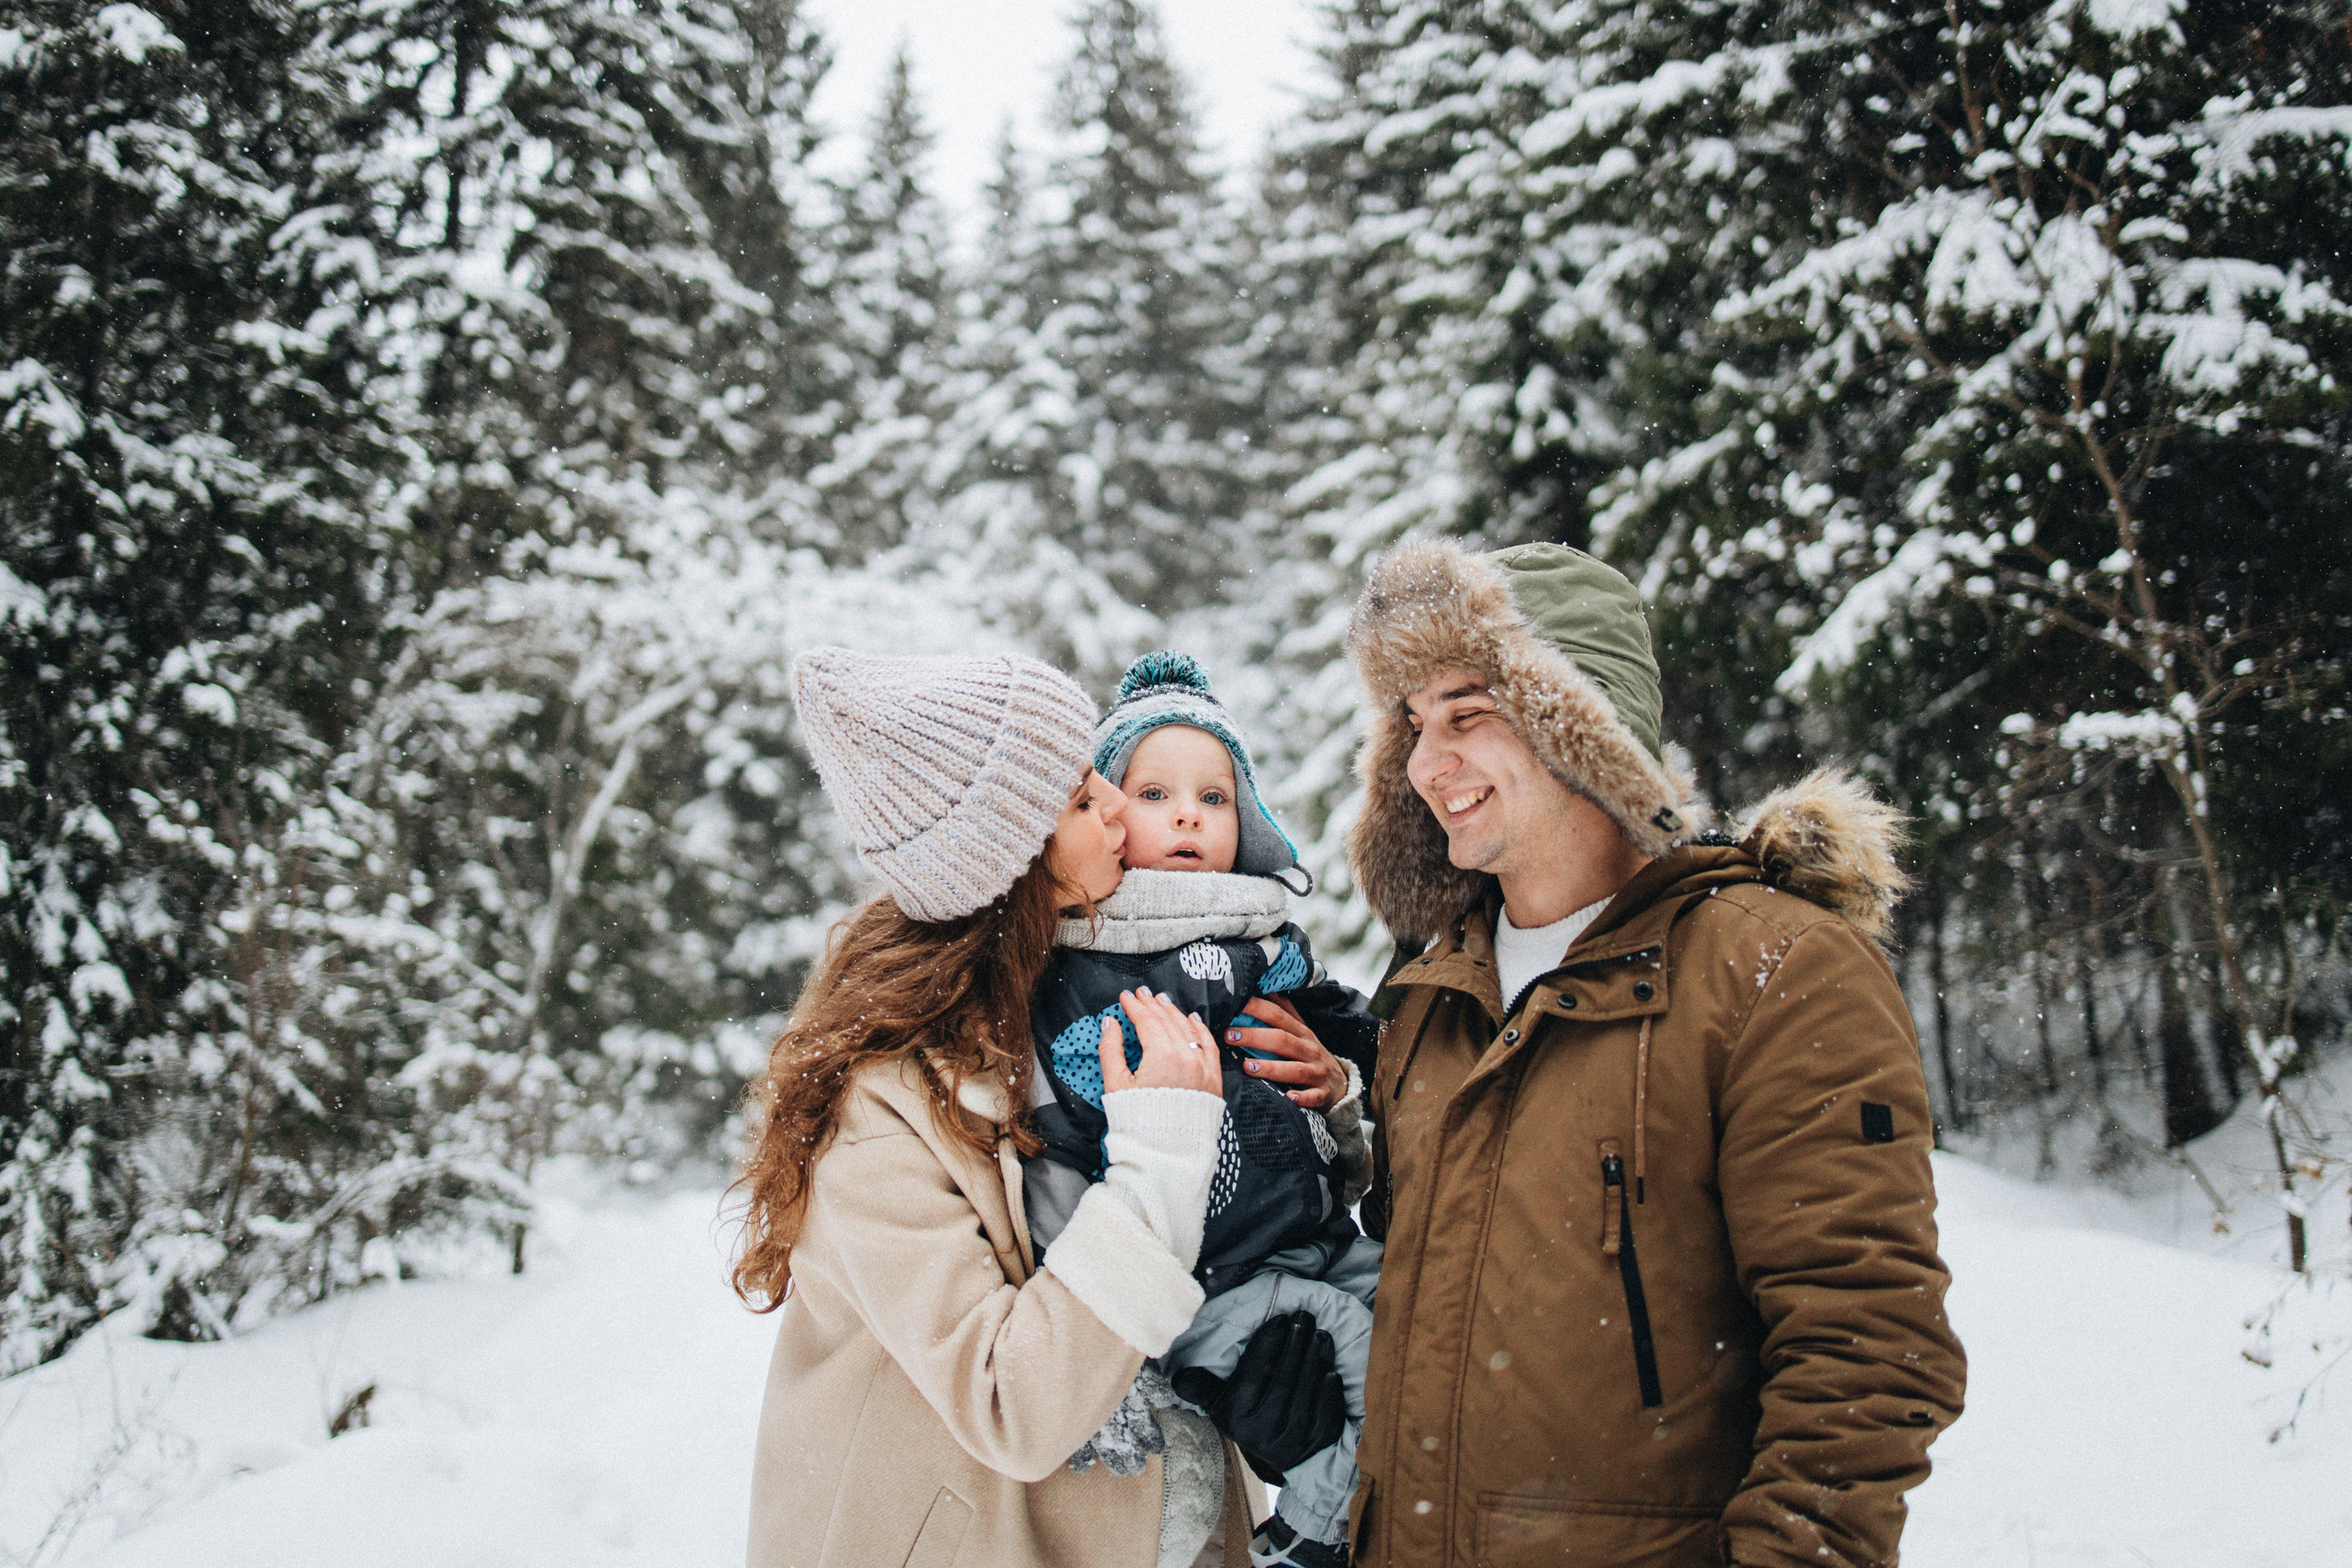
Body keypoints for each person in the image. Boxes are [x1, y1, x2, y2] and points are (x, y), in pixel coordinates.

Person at [1339, 540, 1967, 1568]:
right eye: (1412, 726)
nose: (1423, 763)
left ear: (1573, 719)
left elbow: (1865, 1364)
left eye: (1466, 714)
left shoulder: (1772, 970)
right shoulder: (1430, 997)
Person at [734, 647, 1255, 1568]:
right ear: (1009, 864)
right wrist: (1160, 1162)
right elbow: (1009, 1402)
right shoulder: (882, 1101)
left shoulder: (1093, 996)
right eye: (1082, 799)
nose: (1119, 814)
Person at [1023, 652, 1383, 1568]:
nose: (1187, 813)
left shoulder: (1267, 945)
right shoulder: (1080, 967)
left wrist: (1343, 1078)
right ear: (1104, 816)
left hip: (1318, 1235)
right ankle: (1305, 1539)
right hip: (1211, 1280)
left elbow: (1378, 1047)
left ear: (1246, 823)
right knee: (1355, 1354)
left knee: (1430, 1315)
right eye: (1153, 793)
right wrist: (1101, 1351)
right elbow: (1057, 1147)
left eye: (1213, 798)